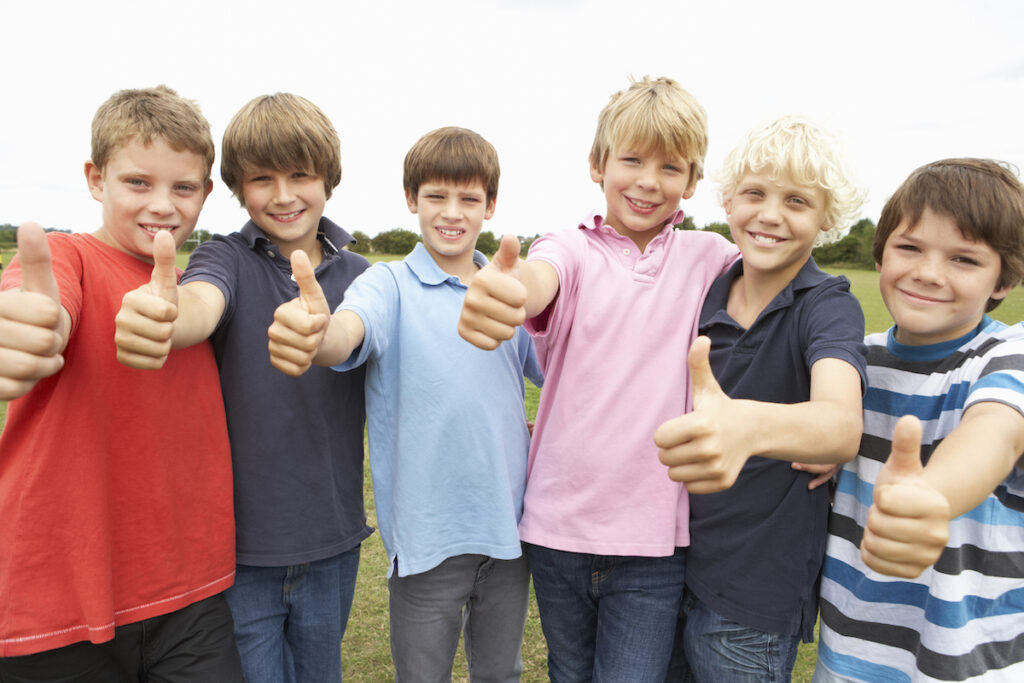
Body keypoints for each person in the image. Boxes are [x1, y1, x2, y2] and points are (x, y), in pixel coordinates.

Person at [457, 76, 737, 681]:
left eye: (670, 167)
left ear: (692, 181)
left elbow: (785, 300)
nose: (647, 181)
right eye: (631, 160)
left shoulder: (712, 258)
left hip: (655, 543)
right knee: (569, 672)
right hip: (557, 529)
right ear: (597, 165)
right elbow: (538, 279)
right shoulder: (567, 247)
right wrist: (509, 292)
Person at [267, 126, 543, 682]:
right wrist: (317, 335)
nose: (452, 212)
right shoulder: (387, 284)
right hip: (425, 540)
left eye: (469, 198)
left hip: (507, 532)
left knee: (502, 673)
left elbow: (561, 378)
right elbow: (345, 333)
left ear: (490, 206)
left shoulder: (511, 293)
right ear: (411, 199)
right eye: (437, 196)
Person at [113, 93, 371, 683]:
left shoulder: (362, 278)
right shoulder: (224, 256)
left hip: (333, 537)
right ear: (235, 188)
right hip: (239, 547)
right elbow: (201, 303)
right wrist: (167, 316)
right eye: (262, 179)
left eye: (300, 174)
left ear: (328, 178)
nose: (282, 196)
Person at [0, 86, 241, 681]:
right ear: (94, 178)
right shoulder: (65, 258)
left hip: (190, 594)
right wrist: (33, 328)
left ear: (206, 194)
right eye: (138, 182)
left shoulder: (191, 288)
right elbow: (39, 306)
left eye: (183, 187)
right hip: (56, 600)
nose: (163, 205)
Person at [652, 115, 868, 682]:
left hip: (753, 598)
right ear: (728, 200)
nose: (770, 215)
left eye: (797, 201)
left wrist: (749, 428)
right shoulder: (706, 292)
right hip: (670, 569)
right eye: (755, 193)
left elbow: (840, 423)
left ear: (827, 220)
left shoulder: (827, 305)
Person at [813, 158, 1024, 682]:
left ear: (1003, 280)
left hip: (969, 666)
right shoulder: (854, 363)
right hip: (846, 656)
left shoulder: (1007, 355)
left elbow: (996, 434)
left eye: (964, 259)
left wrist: (934, 497)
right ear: (881, 254)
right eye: (910, 248)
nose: (928, 273)